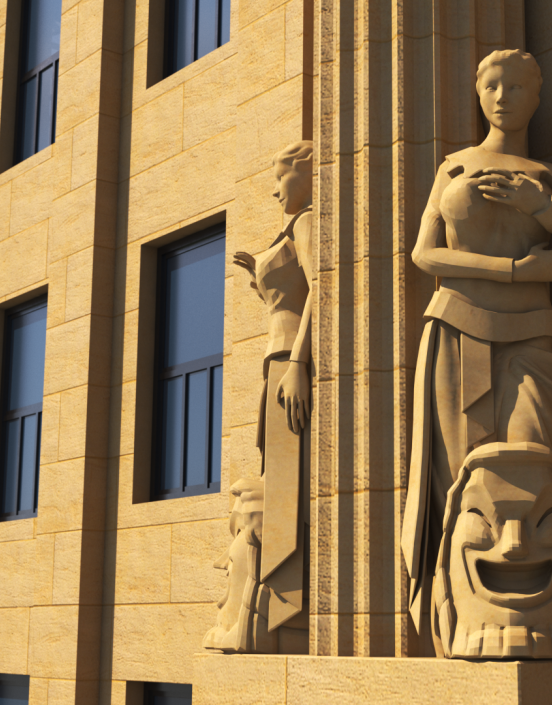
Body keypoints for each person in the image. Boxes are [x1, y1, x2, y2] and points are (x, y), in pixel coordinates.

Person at [399, 50, 552, 655]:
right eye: (491, 84)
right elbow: (424, 257)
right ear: (477, 94)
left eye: (516, 85)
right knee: (469, 487)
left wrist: (544, 210)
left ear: (538, 96)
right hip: (457, 333)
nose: (503, 94)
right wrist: (515, 270)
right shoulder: (455, 167)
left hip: (531, 342)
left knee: (541, 474)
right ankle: (465, 623)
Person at [229, 140, 316, 653]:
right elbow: (289, 298)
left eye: (279, 176)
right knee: (276, 474)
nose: (273, 187)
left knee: (285, 481)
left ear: (305, 176)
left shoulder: (306, 223)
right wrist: (261, 281)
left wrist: (299, 365)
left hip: (289, 363)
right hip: (276, 361)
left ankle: (285, 610)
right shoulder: (290, 228)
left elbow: (321, 288)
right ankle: (274, 605)